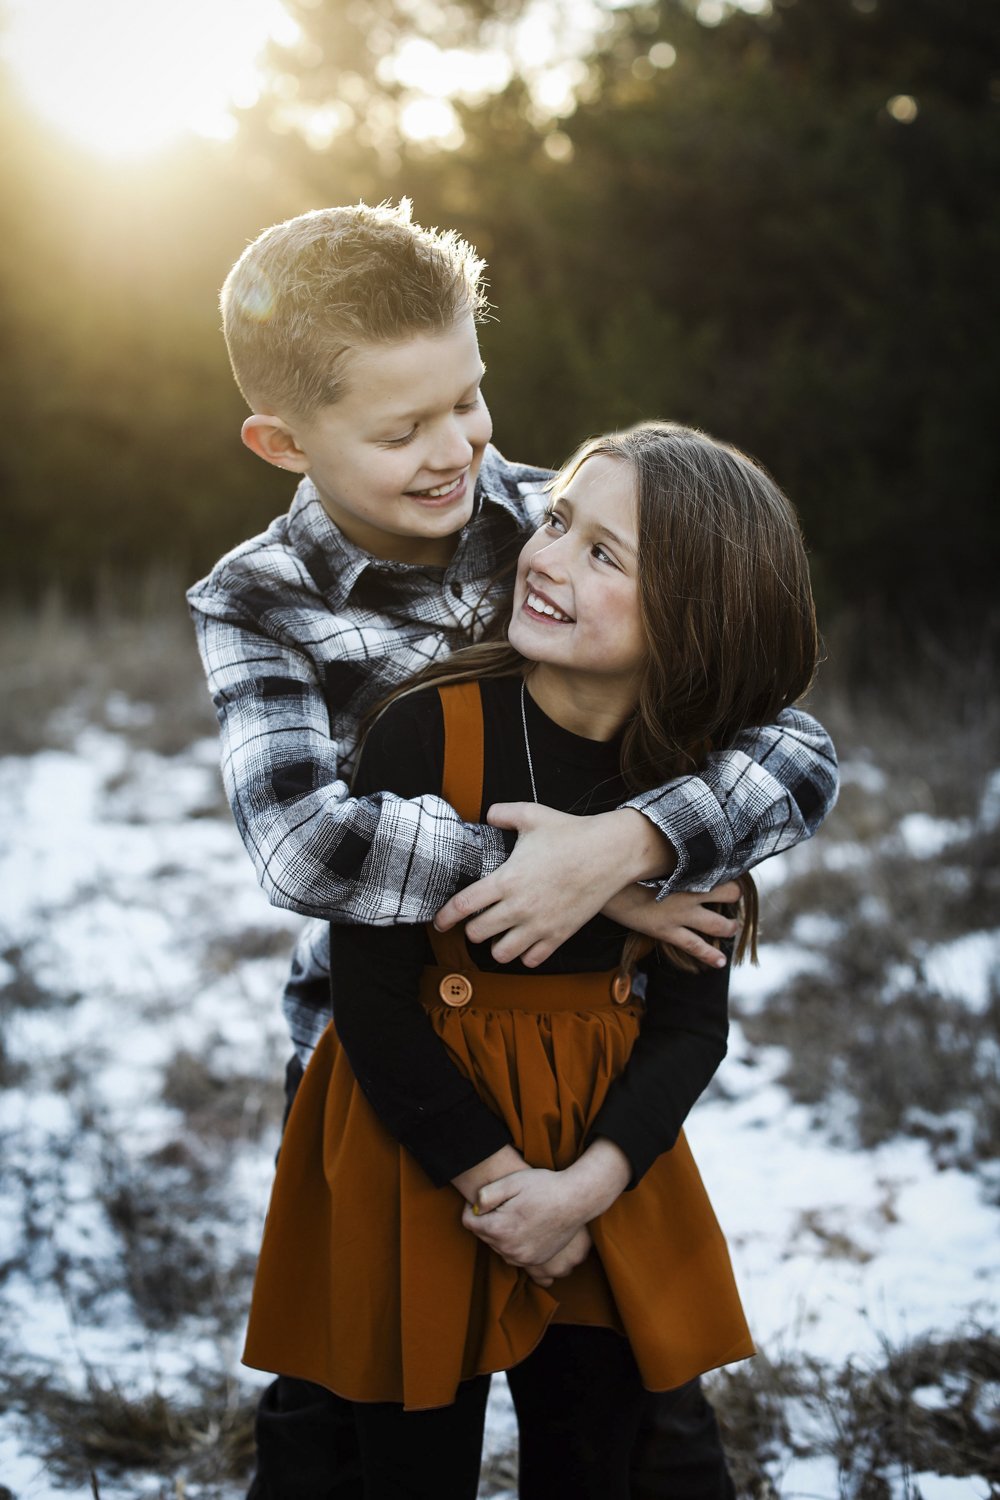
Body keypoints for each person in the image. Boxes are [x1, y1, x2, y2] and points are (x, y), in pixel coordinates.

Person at [187, 203, 839, 1495]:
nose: (457, 451)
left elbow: (796, 750)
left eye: (469, 400)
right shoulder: (258, 599)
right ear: (283, 442)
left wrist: (631, 846)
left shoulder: (561, 522)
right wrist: (560, 880)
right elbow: (309, 850)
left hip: (597, 1044)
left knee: (637, 1416)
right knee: (351, 1414)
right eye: (401, 430)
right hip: (372, 1055)